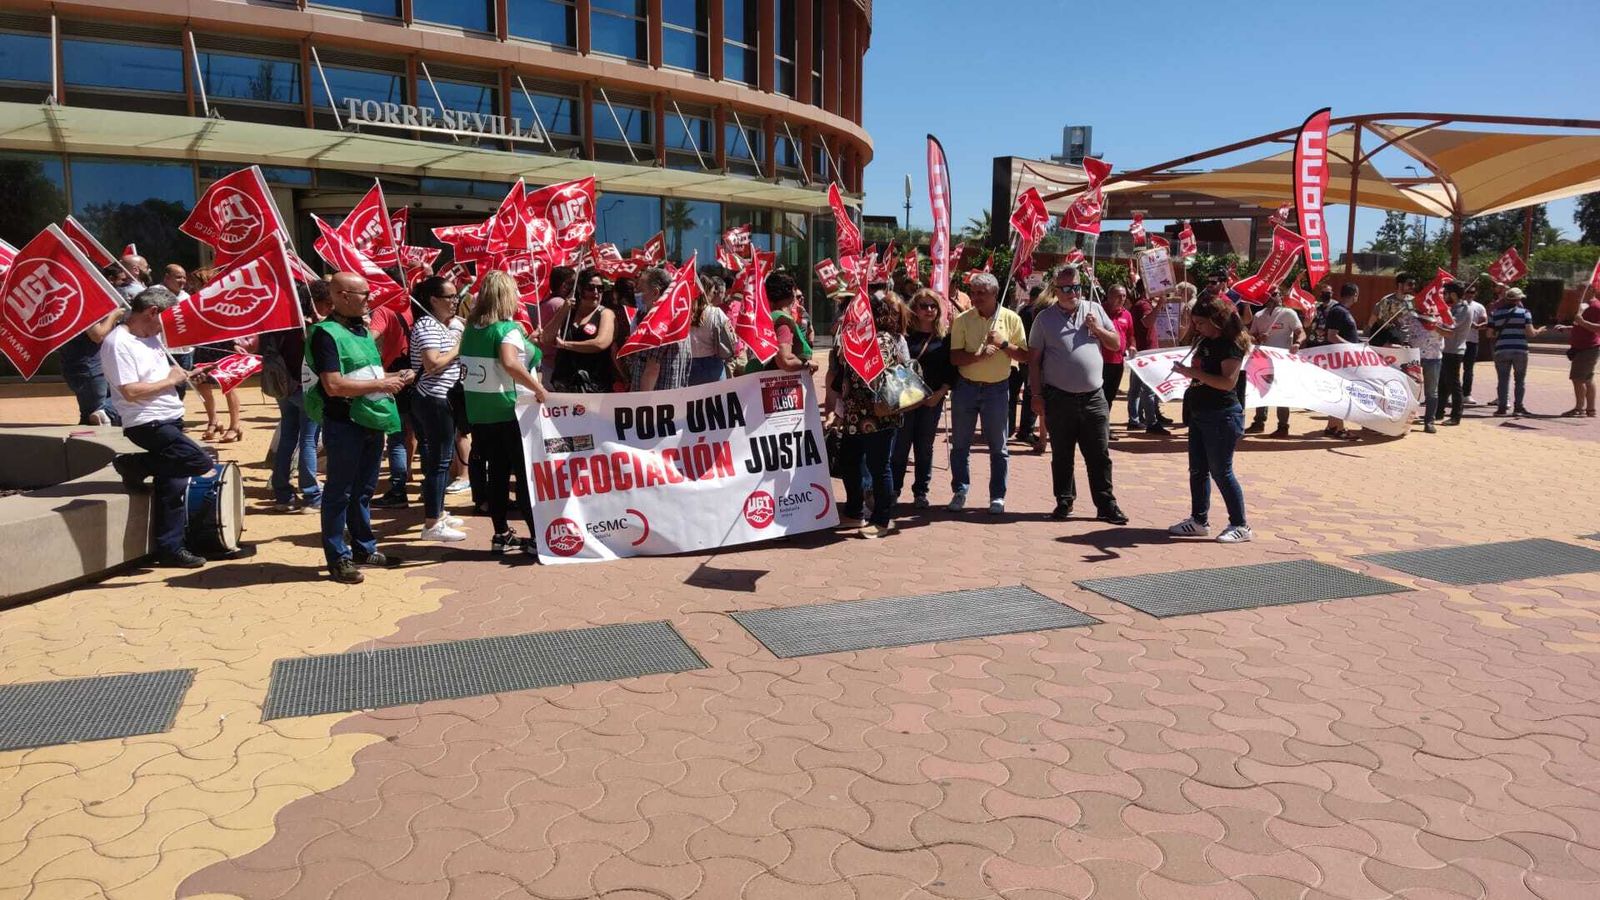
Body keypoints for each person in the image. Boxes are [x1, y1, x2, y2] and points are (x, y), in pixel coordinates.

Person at [307, 272, 413, 584]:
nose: (370, 299)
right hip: (345, 423)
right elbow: (333, 384)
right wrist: (384, 382)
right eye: (363, 294)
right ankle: (338, 558)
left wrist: (395, 376)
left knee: (364, 490)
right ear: (340, 295)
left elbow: (365, 372)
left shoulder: (363, 331)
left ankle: (364, 549)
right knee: (339, 491)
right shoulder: (326, 334)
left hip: (372, 419)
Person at [99, 287, 214, 569]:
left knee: (172, 483)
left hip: (169, 416)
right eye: (167, 319)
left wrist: (184, 375)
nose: (168, 326)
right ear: (152, 312)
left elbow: (160, 376)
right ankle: (134, 465)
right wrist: (171, 381)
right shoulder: (118, 343)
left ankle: (170, 547)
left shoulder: (151, 338)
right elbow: (130, 391)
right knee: (199, 461)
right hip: (146, 421)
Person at [1028, 266, 1128, 525]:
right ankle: (1064, 500)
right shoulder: (1044, 319)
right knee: (1062, 453)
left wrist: (1097, 329)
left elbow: (1116, 344)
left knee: (1099, 454)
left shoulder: (1094, 310)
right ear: (1056, 290)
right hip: (1059, 397)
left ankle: (1106, 504)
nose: (1073, 292)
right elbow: (1034, 360)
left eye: (1077, 287)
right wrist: (1036, 394)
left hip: (1094, 397)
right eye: (1067, 288)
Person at [461, 270, 548, 555]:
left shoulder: (471, 329)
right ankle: (537, 538)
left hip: (480, 411)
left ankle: (500, 533)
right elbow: (510, 362)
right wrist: (538, 387)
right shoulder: (506, 329)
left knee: (496, 474)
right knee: (523, 476)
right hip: (509, 409)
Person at [1168, 294, 1253, 544]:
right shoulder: (1204, 340)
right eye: (1195, 322)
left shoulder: (1230, 345)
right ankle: (1198, 520)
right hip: (1200, 412)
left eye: (1201, 323)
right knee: (1197, 470)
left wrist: (1191, 372)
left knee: (1221, 471)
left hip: (1221, 415)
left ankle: (1240, 524)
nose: (1197, 327)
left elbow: (1227, 383)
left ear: (1217, 321)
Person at [948, 272, 1029, 514]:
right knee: (960, 444)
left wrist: (1004, 344)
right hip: (966, 389)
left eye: (981, 293)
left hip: (997, 389)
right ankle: (960, 490)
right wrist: (979, 356)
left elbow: (1025, 356)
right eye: (973, 293)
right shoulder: (963, 320)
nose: (975, 297)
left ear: (995, 294)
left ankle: (997, 496)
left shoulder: (1011, 319)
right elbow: (955, 357)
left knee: (999, 447)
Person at [830, 293, 909, 538]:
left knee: (879, 466)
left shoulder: (882, 339)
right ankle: (855, 512)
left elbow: (881, 375)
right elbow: (843, 377)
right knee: (849, 461)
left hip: (879, 414)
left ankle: (882, 519)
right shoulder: (850, 339)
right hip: (854, 413)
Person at [409, 276, 468, 542]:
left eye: (456, 296)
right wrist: (459, 347)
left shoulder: (440, 325)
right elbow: (432, 364)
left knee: (441, 460)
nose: (455, 301)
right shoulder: (426, 325)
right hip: (433, 399)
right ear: (433, 299)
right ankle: (432, 523)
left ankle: (439, 512)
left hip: (444, 398)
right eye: (450, 297)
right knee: (439, 461)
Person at [260, 282, 326, 512]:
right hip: (304, 388)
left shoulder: (276, 325)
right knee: (308, 439)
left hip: (282, 389)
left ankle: (282, 493)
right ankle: (311, 495)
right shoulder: (307, 328)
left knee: (288, 437)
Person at [893, 289, 955, 509]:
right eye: (924, 306)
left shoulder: (945, 337)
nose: (929, 310)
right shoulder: (904, 335)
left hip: (931, 400)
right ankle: (894, 490)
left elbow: (951, 370)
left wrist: (939, 394)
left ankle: (921, 492)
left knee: (924, 448)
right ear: (915, 309)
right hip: (906, 401)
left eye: (933, 306)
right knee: (900, 447)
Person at [368, 297, 417, 508]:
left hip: (395, 377)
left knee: (396, 437)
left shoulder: (384, 310)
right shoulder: (417, 305)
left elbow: (370, 338)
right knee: (418, 435)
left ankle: (398, 490)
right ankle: (428, 490)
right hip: (419, 375)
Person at [542, 267, 617, 393]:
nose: (596, 293)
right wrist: (563, 310)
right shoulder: (568, 312)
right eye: (590, 288)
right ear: (580, 289)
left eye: (600, 288)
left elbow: (600, 343)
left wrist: (566, 345)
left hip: (594, 386)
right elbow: (546, 338)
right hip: (565, 385)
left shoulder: (606, 314)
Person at [1245, 286, 1305, 437]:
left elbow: (1300, 332)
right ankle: (1259, 422)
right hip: (1263, 360)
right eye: (1269, 295)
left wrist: (1297, 343)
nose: (1272, 297)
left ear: (1280, 296)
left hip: (1282, 362)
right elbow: (1250, 337)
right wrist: (1258, 338)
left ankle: (1283, 426)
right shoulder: (1259, 315)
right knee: (1261, 390)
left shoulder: (1288, 313)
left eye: (1275, 294)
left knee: (1282, 393)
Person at [629, 267, 692, 391]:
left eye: (640, 289)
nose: (636, 293)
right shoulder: (679, 320)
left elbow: (652, 369)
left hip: (653, 404)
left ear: (655, 293)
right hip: (673, 400)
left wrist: (639, 405)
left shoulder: (657, 324)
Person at [747, 270, 817, 374]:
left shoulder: (766, 319)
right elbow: (785, 362)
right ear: (792, 295)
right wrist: (807, 364)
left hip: (755, 380)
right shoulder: (782, 323)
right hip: (772, 384)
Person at [1488, 287, 1542, 417]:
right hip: (1520, 349)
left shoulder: (1495, 313)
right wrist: (1539, 330)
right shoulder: (1525, 312)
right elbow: (1531, 333)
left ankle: (1501, 407)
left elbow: (1489, 334)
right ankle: (1518, 407)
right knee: (1519, 380)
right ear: (1518, 299)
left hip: (1502, 349)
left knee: (1502, 380)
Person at [1402, 296, 1448, 434]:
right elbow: (1402, 331)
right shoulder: (1412, 318)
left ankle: (1429, 422)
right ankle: (1405, 421)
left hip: (1433, 358)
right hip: (1414, 357)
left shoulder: (1441, 319)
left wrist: (1435, 325)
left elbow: (1450, 333)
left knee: (1431, 392)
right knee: (1410, 389)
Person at [1556, 285, 1600, 418]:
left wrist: (1581, 321)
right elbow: (1581, 327)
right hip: (1581, 347)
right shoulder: (1584, 306)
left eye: (1582, 289)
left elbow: (1597, 328)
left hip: (1588, 348)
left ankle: (1579, 408)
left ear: (1592, 290)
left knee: (1577, 379)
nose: (1578, 292)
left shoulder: (1596, 307)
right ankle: (1590, 409)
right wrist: (1568, 327)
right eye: (1579, 289)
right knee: (1587, 379)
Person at [687, 274, 736, 385]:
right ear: (706, 291)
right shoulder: (716, 312)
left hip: (690, 365)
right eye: (713, 291)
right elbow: (731, 338)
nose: (715, 294)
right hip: (713, 364)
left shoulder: (685, 313)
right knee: (718, 400)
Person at [1439, 282, 1472, 426]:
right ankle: (1439, 412)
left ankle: (1456, 416)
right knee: (1442, 384)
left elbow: (1450, 326)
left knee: (1453, 383)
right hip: (1445, 350)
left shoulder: (1463, 309)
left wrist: (1433, 324)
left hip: (1454, 350)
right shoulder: (1453, 308)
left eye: (1446, 293)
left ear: (1453, 294)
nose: (1444, 296)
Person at [1099, 285, 1136, 414]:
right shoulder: (1099, 311)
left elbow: (1130, 335)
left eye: (1124, 296)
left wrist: (1132, 345)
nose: (1122, 299)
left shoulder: (1127, 314)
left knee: (1110, 395)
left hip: (1118, 362)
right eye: (1118, 296)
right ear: (1109, 297)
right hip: (1100, 361)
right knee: (1098, 396)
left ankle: (1104, 427)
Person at [1459, 283, 1490, 405]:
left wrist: (1478, 326)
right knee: (1452, 369)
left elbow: (1485, 322)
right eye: (1467, 292)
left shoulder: (1479, 307)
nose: (1469, 295)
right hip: (1457, 341)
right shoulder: (1458, 306)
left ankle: (1466, 394)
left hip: (1472, 341)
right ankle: (1450, 393)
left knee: (1469, 369)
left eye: (1472, 292)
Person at [1368, 273, 1416, 347]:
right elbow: (1372, 323)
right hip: (1392, 343)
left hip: (1409, 344)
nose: (1413, 286)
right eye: (1410, 284)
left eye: (1413, 284)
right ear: (1400, 285)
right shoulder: (1387, 301)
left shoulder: (1413, 301)